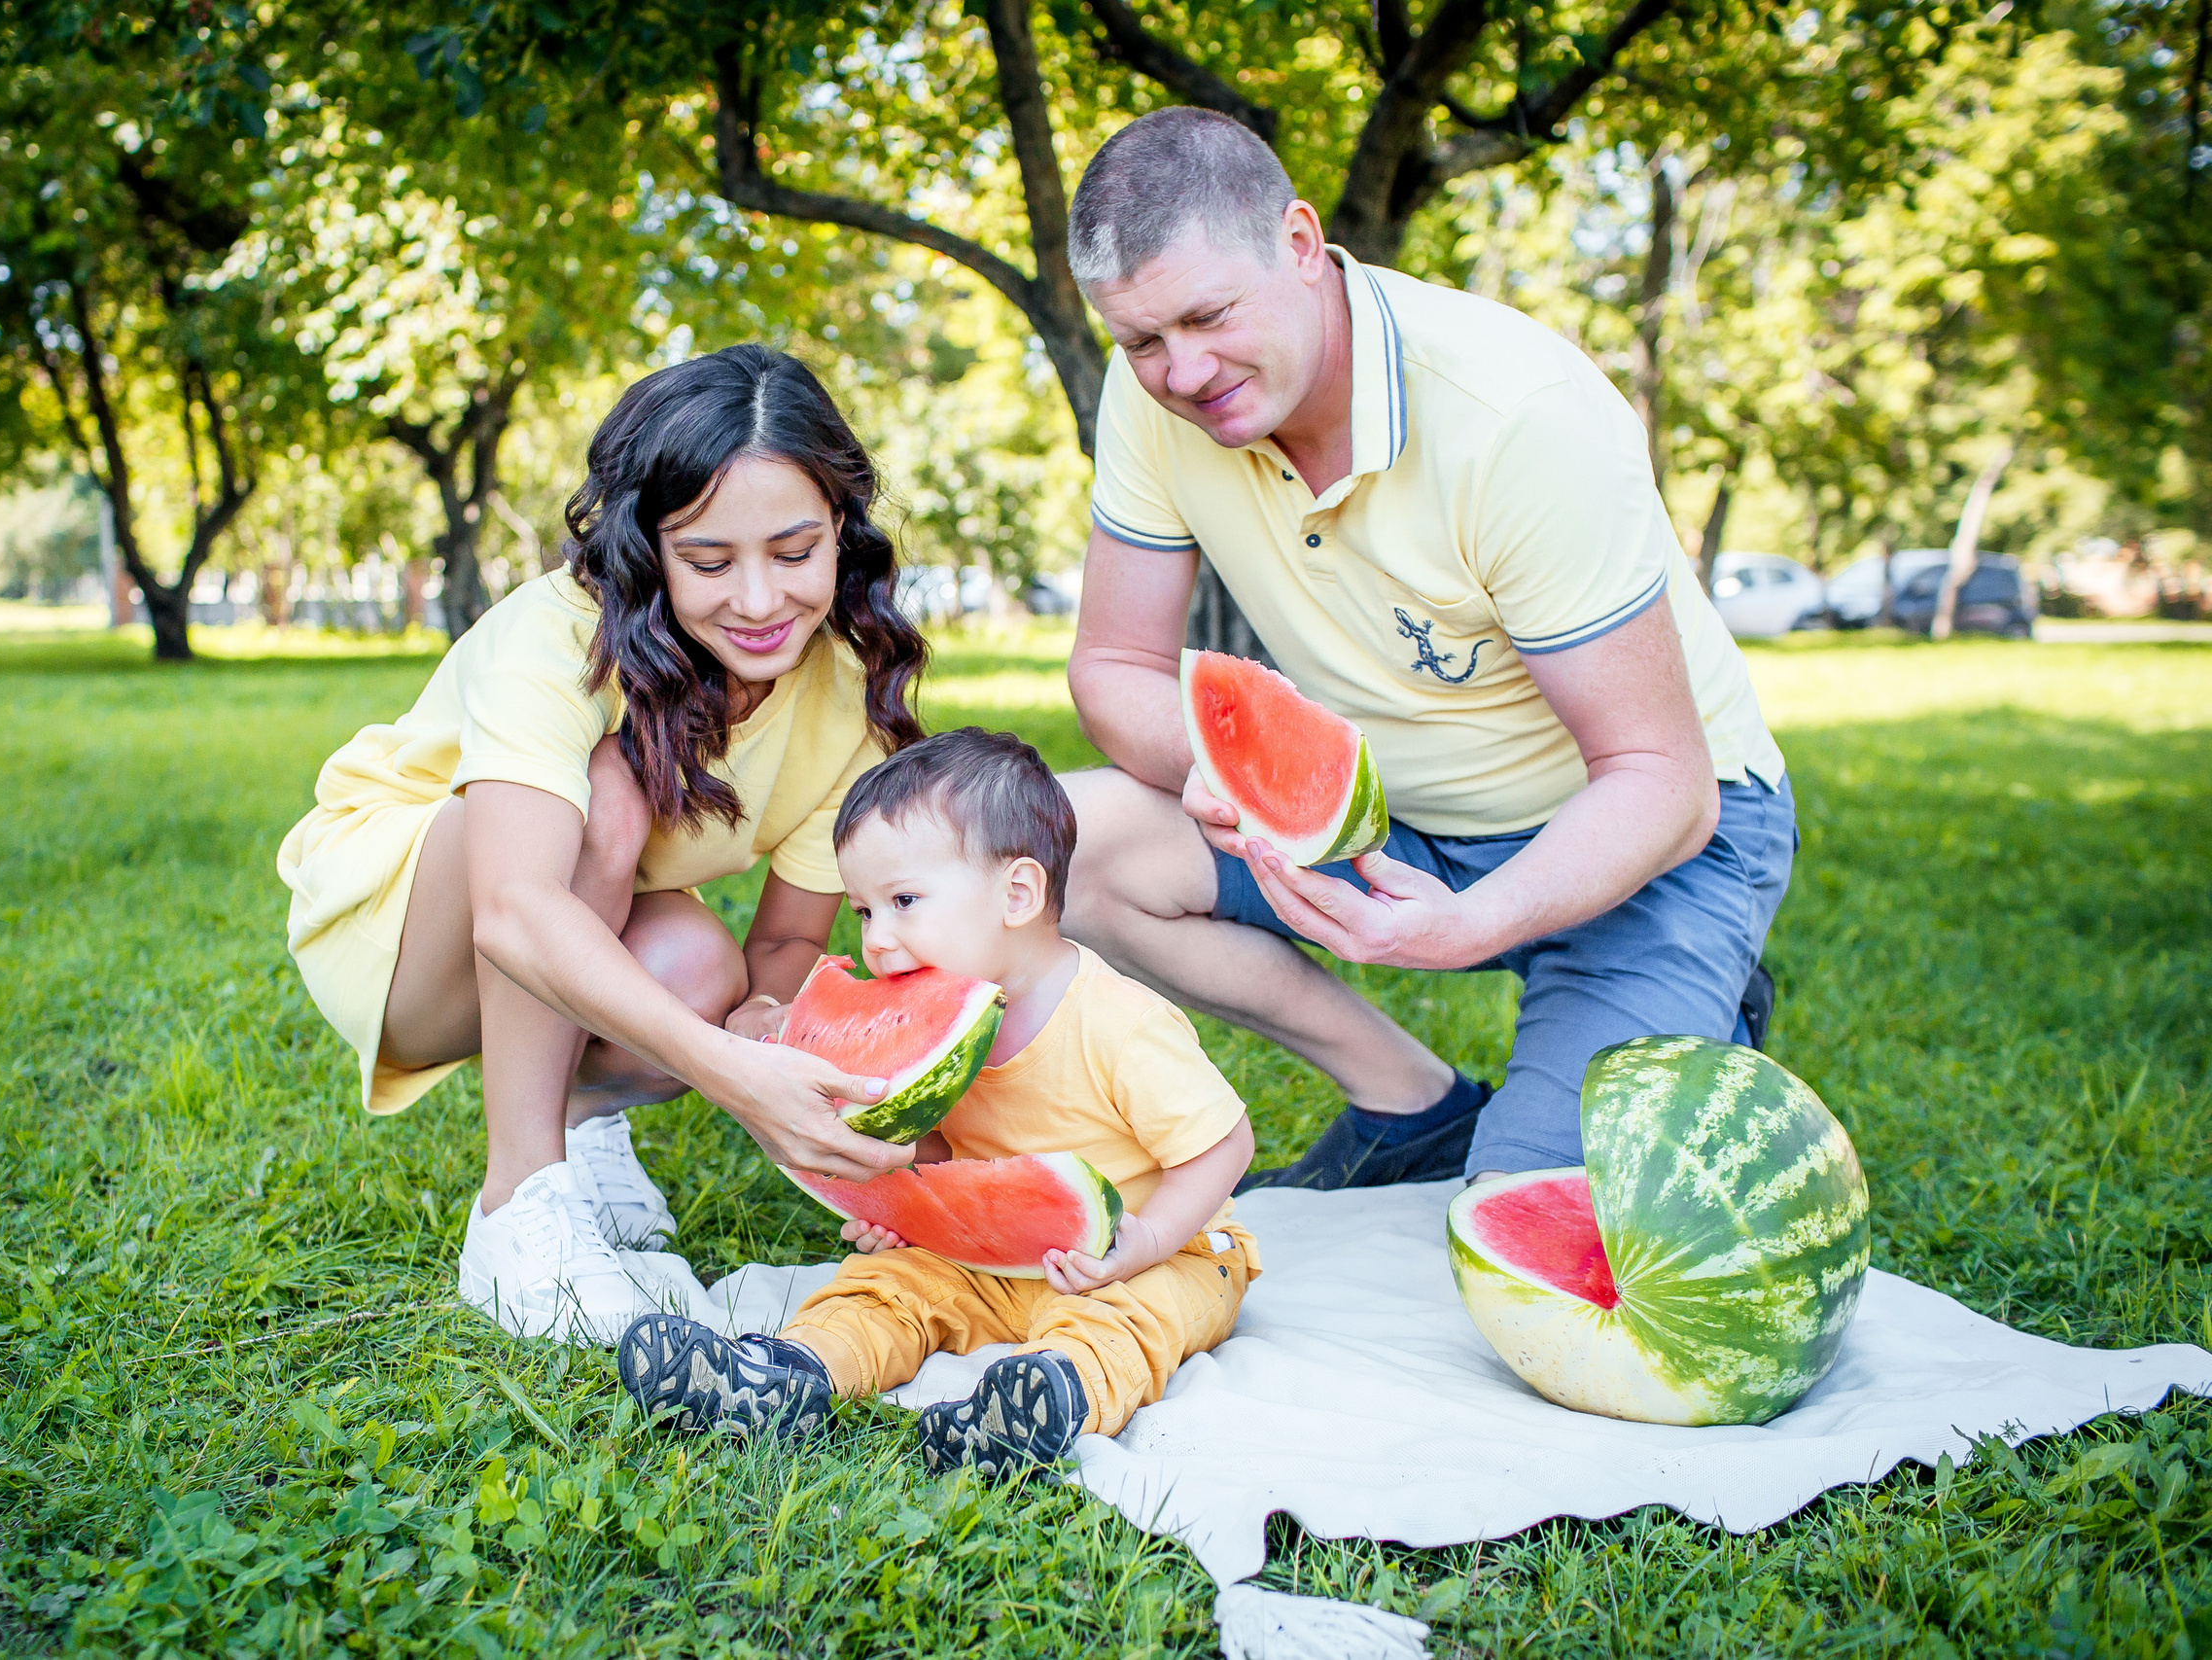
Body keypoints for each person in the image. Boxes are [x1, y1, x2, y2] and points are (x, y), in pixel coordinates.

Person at [1056, 108, 1795, 1189]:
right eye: (1142, 340)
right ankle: (1412, 1104)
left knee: (1526, 1228)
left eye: (1209, 315)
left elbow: (1662, 782)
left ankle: (1694, 999)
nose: (1181, 371)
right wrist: (1219, 772)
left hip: (1652, 839)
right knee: (1060, 848)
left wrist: (1465, 924)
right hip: (1390, 817)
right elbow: (1112, 669)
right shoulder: (1154, 391)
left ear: (1301, 245)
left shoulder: (1517, 419)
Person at [277, 344, 926, 1343]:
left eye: (793, 552)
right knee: (611, 789)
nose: (758, 602)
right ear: (649, 551)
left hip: (567, 925)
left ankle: (582, 1129)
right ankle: (516, 1204)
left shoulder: (847, 693)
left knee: (703, 963)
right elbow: (513, 906)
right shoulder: (561, 634)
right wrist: (728, 1073)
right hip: (399, 931)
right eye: (709, 562)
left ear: (840, 531)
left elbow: (788, 947)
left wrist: (759, 1023)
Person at [616, 729, 1259, 1476]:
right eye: (862, 910)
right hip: (986, 1253)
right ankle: (780, 1375)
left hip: (1162, 1252)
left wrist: (1146, 1240)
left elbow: (1225, 1145)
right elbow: (953, 1155)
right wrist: (901, 1197)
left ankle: (1047, 1401)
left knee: (1128, 1322)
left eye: (904, 901)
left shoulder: (1120, 1023)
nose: (877, 940)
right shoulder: (947, 1023)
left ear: (1018, 894)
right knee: (882, 1288)